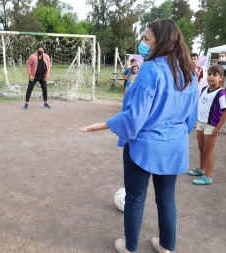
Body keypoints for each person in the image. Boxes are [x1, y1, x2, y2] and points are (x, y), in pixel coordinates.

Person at [80, 19, 198, 253]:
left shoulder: (151, 69)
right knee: (166, 199)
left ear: (160, 40)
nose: (142, 43)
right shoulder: (189, 72)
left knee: (135, 197)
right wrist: (173, 134)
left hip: (144, 146)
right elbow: (191, 119)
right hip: (173, 147)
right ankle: (166, 247)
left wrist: (102, 125)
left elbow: (135, 116)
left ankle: (130, 247)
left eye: (146, 38)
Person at [187, 65, 226, 185]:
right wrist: (197, 121)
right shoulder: (204, 88)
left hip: (211, 125)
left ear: (221, 78)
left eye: (214, 75)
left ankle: (208, 176)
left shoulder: (222, 93)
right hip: (201, 123)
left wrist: (218, 127)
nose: (211, 77)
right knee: (201, 148)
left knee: (208, 151)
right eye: (209, 74)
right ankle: (202, 169)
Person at [24, 44, 51, 110]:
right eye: (39, 50)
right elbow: (28, 65)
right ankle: (26, 103)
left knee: (44, 89)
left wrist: (47, 75)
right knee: (30, 89)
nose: (40, 51)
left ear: (43, 50)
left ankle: (45, 103)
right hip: (34, 76)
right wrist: (30, 75)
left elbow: (49, 66)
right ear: (37, 50)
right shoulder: (32, 57)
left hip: (42, 76)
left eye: (41, 50)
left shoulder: (46, 57)